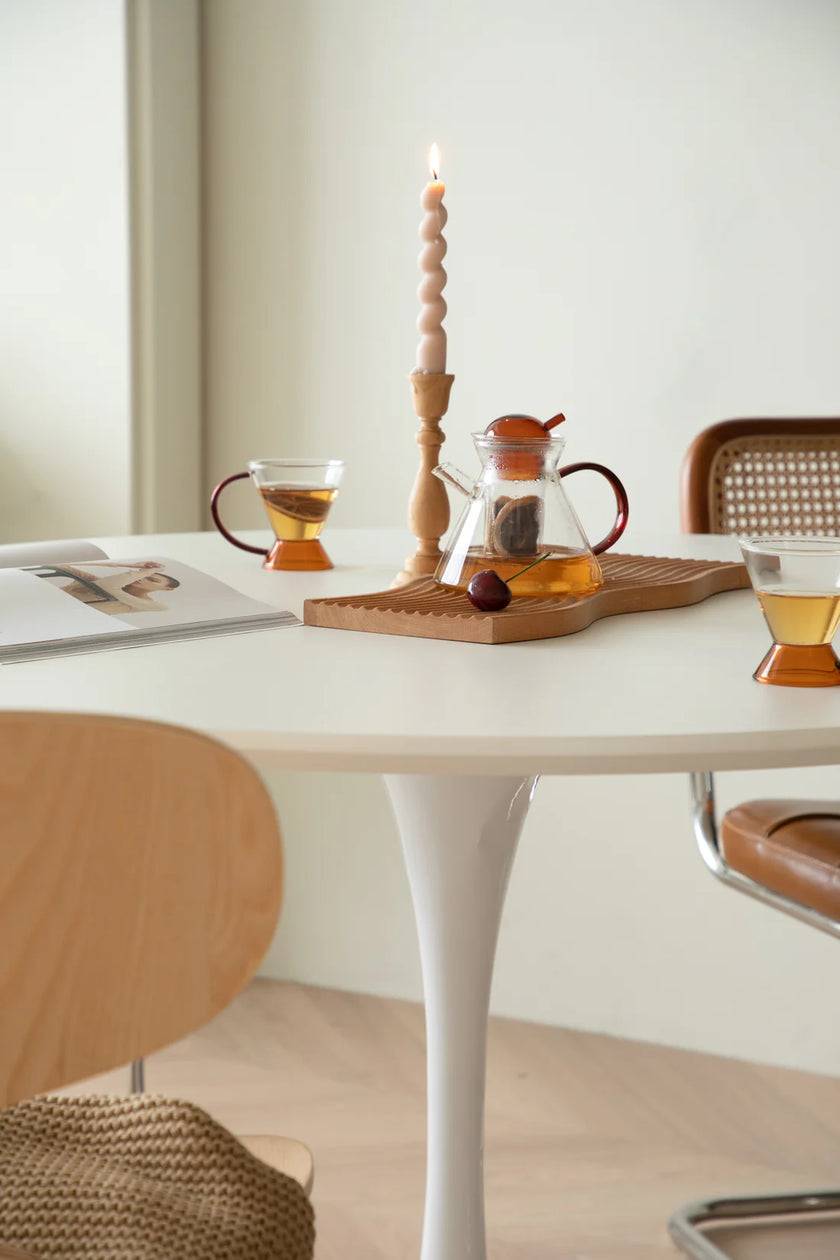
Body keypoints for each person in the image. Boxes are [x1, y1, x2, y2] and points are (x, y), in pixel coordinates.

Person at [30, 561, 181, 616]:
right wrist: (130, 565)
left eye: (151, 579)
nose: (140, 577)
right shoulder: (95, 581)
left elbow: (109, 588)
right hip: (34, 606)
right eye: (140, 574)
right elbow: (59, 565)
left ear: (166, 589)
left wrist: (146, 571)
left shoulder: (155, 605)